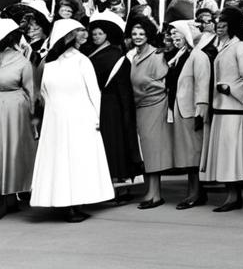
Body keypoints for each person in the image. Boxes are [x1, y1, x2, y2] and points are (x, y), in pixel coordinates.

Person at [30, 19, 114, 222]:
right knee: (76, 161)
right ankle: (73, 205)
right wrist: (96, 116)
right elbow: (94, 93)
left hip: (60, 118)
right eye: (78, 32)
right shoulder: (80, 61)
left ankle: (66, 202)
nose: (83, 36)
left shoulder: (50, 64)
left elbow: (43, 93)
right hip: (76, 117)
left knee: (62, 161)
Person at [200, 6, 243, 210]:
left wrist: (230, 88)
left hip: (233, 108)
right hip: (223, 108)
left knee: (231, 154)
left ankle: (234, 196)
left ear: (232, 26)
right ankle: (231, 195)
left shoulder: (240, 47)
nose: (219, 26)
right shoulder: (226, 46)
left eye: (224, 23)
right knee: (226, 153)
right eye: (219, 23)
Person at [86, 11, 141, 202]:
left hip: (112, 107)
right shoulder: (90, 54)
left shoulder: (117, 56)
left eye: (99, 34)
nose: (95, 36)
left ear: (107, 35)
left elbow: (124, 87)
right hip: (96, 104)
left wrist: (125, 111)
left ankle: (120, 185)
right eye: (93, 34)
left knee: (114, 144)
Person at [128, 16, 173, 208]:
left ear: (148, 35)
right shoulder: (134, 56)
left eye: (141, 33)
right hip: (139, 107)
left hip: (154, 106)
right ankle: (151, 192)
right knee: (145, 151)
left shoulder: (156, 56)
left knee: (153, 150)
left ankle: (155, 194)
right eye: (134, 33)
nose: (138, 37)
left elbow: (162, 84)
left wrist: (145, 86)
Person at [165, 20, 204, 207]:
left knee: (193, 154)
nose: (173, 37)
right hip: (179, 109)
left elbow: (202, 85)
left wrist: (200, 111)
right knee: (188, 154)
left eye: (176, 33)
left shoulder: (198, 56)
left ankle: (195, 193)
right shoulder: (180, 55)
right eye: (171, 34)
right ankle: (193, 191)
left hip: (190, 111)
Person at [0, 19, 35, 217]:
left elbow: (31, 91)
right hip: (6, 105)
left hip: (15, 109)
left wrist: (32, 120)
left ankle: (11, 196)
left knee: (12, 150)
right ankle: (7, 197)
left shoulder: (22, 60)